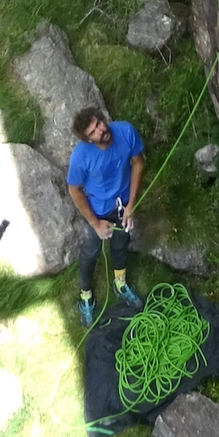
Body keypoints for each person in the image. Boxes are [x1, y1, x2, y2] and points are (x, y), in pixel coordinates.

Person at [67, 106, 146, 327]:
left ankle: (120, 283)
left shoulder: (125, 132)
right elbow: (74, 189)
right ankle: (86, 297)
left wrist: (131, 204)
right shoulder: (81, 157)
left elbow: (138, 162)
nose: (101, 130)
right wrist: (95, 223)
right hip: (98, 211)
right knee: (91, 251)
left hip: (122, 206)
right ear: (88, 139)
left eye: (99, 123)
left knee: (121, 244)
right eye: (93, 131)